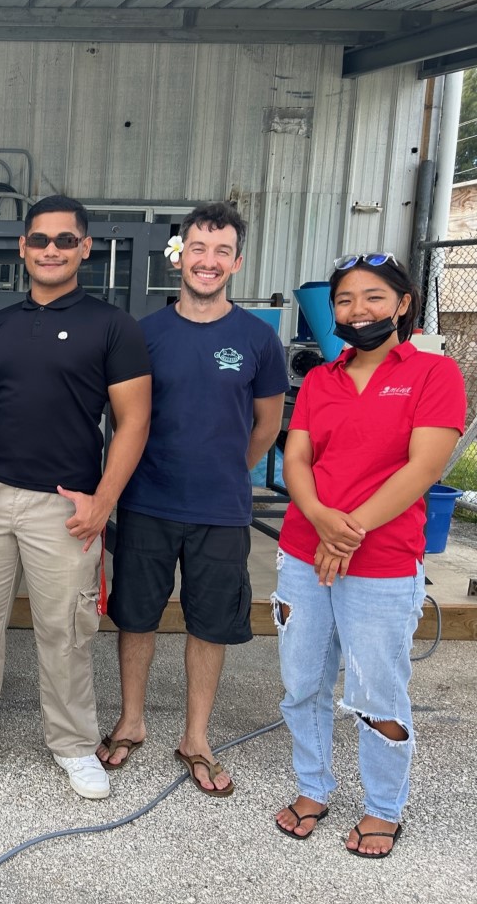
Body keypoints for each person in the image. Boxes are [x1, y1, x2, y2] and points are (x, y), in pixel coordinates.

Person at [0, 194, 151, 801]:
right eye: (41, 240)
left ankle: (74, 744)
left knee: (66, 631)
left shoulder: (114, 326)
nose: (52, 250)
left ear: (85, 248)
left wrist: (102, 502)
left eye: (65, 240)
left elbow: (134, 421)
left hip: (67, 506)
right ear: (23, 248)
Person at [272, 253, 464, 858]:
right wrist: (320, 520)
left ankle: (384, 807)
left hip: (381, 561)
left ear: (402, 304)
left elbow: (425, 466)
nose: (358, 311)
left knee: (378, 691)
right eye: (346, 300)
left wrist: (347, 532)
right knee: (303, 682)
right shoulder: (320, 380)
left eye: (374, 297)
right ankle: (313, 788)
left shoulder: (434, 373)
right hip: (304, 553)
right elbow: (296, 458)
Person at [97, 202, 287, 796]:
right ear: (179, 256)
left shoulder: (259, 339)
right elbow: (121, 419)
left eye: (222, 251)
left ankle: (196, 737)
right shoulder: (143, 334)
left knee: (210, 623)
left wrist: (225, 468)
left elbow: (267, 425)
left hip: (221, 510)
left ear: (237, 262)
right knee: (137, 616)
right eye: (199, 249)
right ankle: (131, 721)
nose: (209, 261)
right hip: (147, 501)